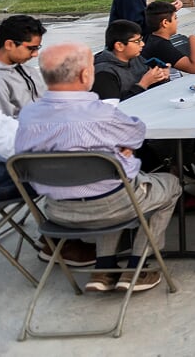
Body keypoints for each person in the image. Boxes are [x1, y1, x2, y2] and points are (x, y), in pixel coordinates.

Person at [16, 43, 181, 293]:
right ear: (85, 75)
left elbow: (24, 157)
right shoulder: (101, 112)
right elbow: (136, 134)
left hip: (58, 212)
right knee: (169, 185)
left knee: (106, 181)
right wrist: (117, 147)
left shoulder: (28, 116)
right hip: (114, 205)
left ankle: (104, 267)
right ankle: (139, 265)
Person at [92, 19, 170, 101]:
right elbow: (112, 107)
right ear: (119, 46)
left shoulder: (136, 58)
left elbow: (152, 88)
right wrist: (143, 84)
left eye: (141, 39)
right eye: (137, 41)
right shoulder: (104, 73)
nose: (142, 44)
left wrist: (160, 77)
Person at [0, 15, 46, 116]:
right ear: (9, 45)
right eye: (31, 48)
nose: (35, 54)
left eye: (37, 48)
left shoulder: (29, 71)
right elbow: (4, 123)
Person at [142, 1, 195, 74]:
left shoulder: (152, 38)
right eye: (175, 18)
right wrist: (194, 40)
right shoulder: (161, 46)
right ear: (165, 23)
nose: (177, 22)